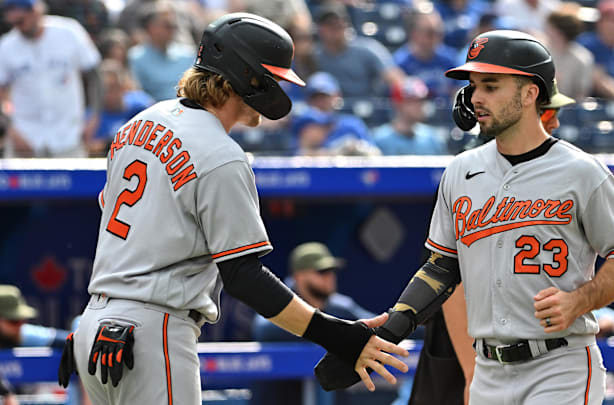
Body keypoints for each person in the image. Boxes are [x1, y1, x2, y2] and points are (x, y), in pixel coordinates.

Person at [57, 13, 409, 404]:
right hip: (153, 332)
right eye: (271, 76)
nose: (277, 88)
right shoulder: (223, 155)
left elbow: (109, 208)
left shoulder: (138, 123)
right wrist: (336, 335)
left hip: (94, 326)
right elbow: (244, 277)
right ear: (246, 76)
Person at [313, 30, 614, 405]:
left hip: (559, 365)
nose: (476, 97)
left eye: (490, 86)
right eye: (474, 86)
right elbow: (442, 268)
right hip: (488, 370)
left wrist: (580, 300)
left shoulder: (582, 172)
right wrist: (393, 327)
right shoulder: (460, 171)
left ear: (530, 93)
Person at [406, 80, 578, 405]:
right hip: (466, 352)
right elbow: (452, 282)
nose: (555, 122)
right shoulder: (474, 174)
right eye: (549, 112)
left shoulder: (551, 173)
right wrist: (473, 374)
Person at [251, 242, 375, 405]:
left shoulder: (340, 307)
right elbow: (263, 330)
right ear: (299, 276)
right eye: (322, 272)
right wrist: (325, 332)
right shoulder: (279, 300)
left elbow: (376, 325)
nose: (330, 277)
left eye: (332, 271)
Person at [0, 0, 102, 158]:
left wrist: (94, 116)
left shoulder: (69, 31)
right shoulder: (7, 46)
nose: (19, 25)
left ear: (36, 10)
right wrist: (11, 131)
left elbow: (94, 74)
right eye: (14, 21)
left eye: (21, 19)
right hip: (24, 137)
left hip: (68, 135)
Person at [313, 3, 405, 99]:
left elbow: (395, 78)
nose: (335, 30)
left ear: (346, 25)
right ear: (320, 30)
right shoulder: (314, 56)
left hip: (368, 106)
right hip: (330, 108)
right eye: (329, 25)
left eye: (338, 25)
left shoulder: (367, 48)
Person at [127, 2, 196, 102]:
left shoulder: (188, 54)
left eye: (174, 25)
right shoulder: (136, 57)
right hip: (155, 113)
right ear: (151, 28)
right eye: (167, 25)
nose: (172, 29)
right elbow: (137, 94)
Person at [372, 76, 449, 155]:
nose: (422, 105)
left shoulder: (433, 138)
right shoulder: (380, 140)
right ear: (399, 104)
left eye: (423, 101)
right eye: (415, 101)